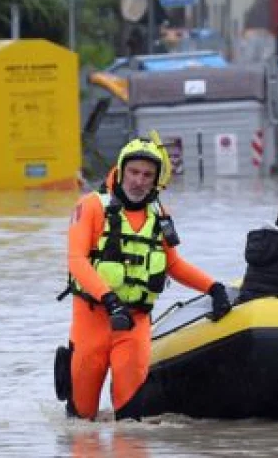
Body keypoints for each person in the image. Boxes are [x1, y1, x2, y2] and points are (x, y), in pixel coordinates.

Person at [56, 137, 232, 420]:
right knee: (81, 419)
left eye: (147, 175)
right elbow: (76, 261)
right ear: (122, 170)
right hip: (92, 320)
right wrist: (110, 300)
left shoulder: (159, 215)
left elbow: (173, 264)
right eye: (134, 172)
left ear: (156, 180)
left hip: (134, 324)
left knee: (130, 420)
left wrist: (214, 288)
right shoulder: (90, 207)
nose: (139, 181)